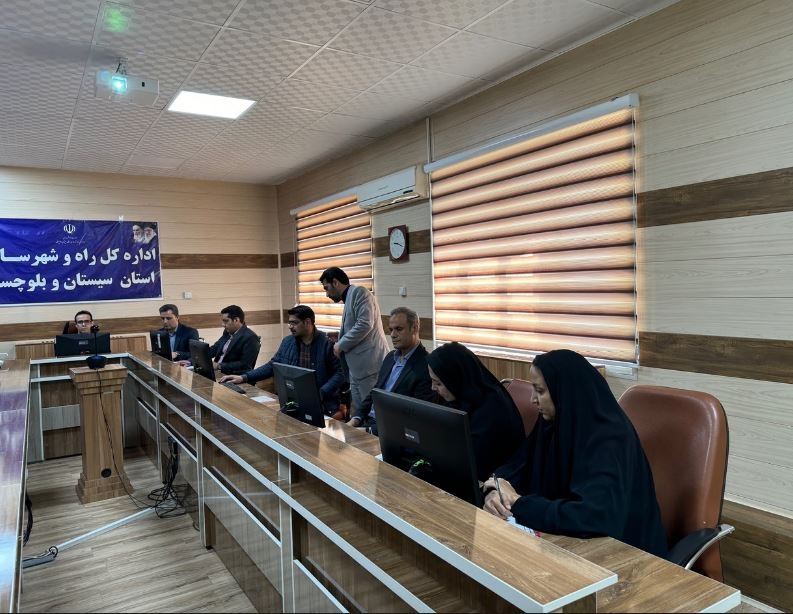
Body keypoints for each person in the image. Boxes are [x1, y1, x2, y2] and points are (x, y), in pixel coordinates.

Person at [482, 349, 669, 559]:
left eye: (540, 391)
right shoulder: (553, 423)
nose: (533, 399)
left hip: (624, 557)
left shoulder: (610, 439)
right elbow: (515, 467)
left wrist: (518, 503)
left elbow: (592, 517)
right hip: (566, 546)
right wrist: (495, 490)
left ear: (565, 392)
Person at [426, 341, 524, 483]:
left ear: (455, 378)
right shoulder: (458, 396)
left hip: (491, 484)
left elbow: (474, 465)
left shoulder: (492, 410)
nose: (433, 388)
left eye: (438, 383)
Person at [220, 305, 344, 414]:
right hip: (292, 400)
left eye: (294, 323)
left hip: (321, 403)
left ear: (307, 322)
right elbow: (272, 365)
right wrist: (243, 377)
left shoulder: (327, 343)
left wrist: (321, 392)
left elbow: (340, 373)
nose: (290, 327)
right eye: (289, 323)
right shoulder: (287, 342)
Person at [350, 307, 435, 434]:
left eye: (399, 329)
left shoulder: (426, 366)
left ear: (415, 328)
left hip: (390, 432)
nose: (393, 335)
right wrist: (355, 419)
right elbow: (375, 392)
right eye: (391, 330)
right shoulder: (390, 357)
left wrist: (369, 431)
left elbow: (415, 417)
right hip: (367, 422)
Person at [319, 266, 389, 415]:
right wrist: (339, 337)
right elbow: (356, 326)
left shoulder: (359, 292)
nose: (327, 294)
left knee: (372, 413)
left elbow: (365, 324)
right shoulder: (349, 297)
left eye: (326, 288)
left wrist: (340, 344)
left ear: (335, 282)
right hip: (357, 369)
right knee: (358, 413)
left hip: (370, 366)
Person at [206, 305, 260, 375]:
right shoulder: (227, 332)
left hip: (233, 376)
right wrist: (200, 356)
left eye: (226, 321)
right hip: (216, 372)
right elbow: (215, 348)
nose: (223, 324)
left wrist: (219, 366)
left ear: (236, 320)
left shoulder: (251, 337)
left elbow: (244, 364)